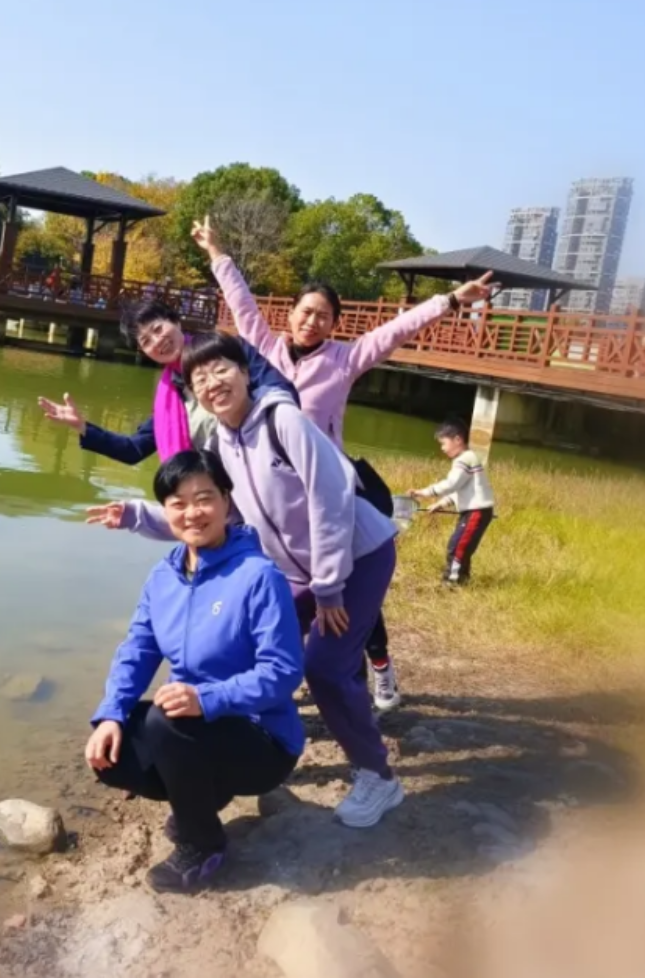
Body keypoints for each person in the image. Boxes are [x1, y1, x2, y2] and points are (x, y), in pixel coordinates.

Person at [90, 334, 405, 830]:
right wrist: (135, 515)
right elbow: (213, 514)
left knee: (324, 668)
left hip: (358, 555)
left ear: (245, 372)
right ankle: (214, 748)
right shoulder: (220, 443)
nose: (212, 383)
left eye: (222, 369)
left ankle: (378, 777)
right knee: (240, 638)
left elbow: (331, 499)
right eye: (199, 378)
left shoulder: (284, 421)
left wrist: (328, 588)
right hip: (299, 568)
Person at [190, 216, 497, 713]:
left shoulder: (344, 360)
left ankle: (380, 669)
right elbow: (242, 304)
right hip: (278, 492)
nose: (312, 322)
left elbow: (397, 330)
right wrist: (215, 252)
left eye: (323, 316)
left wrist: (452, 300)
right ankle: (296, 674)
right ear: (291, 314)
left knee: (350, 589)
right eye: (306, 312)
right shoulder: (265, 352)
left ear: (333, 324)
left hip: (329, 489)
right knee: (288, 588)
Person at [87, 448, 305, 893]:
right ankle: (201, 800)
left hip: (262, 739)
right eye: (178, 503)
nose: (192, 513)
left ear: (226, 500)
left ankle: (203, 845)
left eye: (204, 498)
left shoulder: (259, 576)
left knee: (164, 721)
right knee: (114, 753)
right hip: (197, 729)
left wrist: (206, 699)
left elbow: (283, 671)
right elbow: (138, 650)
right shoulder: (162, 577)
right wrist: (110, 714)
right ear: (166, 510)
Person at [38, 298, 295, 464]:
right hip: (214, 496)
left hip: (264, 468)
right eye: (146, 341)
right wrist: (83, 426)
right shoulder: (170, 392)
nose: (157, 341)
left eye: (158, 329)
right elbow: (134, 449)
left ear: (176, 321)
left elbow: (281, 390)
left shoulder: (226, 349)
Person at [410, 420, 497, 586]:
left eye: (443, 443)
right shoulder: (468, 458)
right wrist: (440, 504)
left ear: (457, 440)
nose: (442, 448)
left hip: (476, 512)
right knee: (462, 546)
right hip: (476, 511)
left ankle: (451, 582)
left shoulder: (464, 459)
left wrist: (424, 492)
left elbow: (451, 484)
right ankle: (461, 580)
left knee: (457, 546)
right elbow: (460, 490)